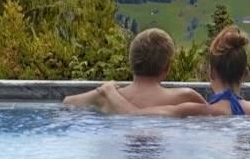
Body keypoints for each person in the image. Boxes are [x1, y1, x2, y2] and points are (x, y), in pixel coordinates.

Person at [97, 25, 250, 117]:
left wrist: (109, 91)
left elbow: (135, 114)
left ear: (211, 73)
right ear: (244, 74)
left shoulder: (199, 110)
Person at [62, 28, 205, 111]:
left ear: (131, 63)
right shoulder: (185, 97)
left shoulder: (105, 97)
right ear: (167, 68)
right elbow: (216, 118)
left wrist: (104, 89)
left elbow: (67, 103)